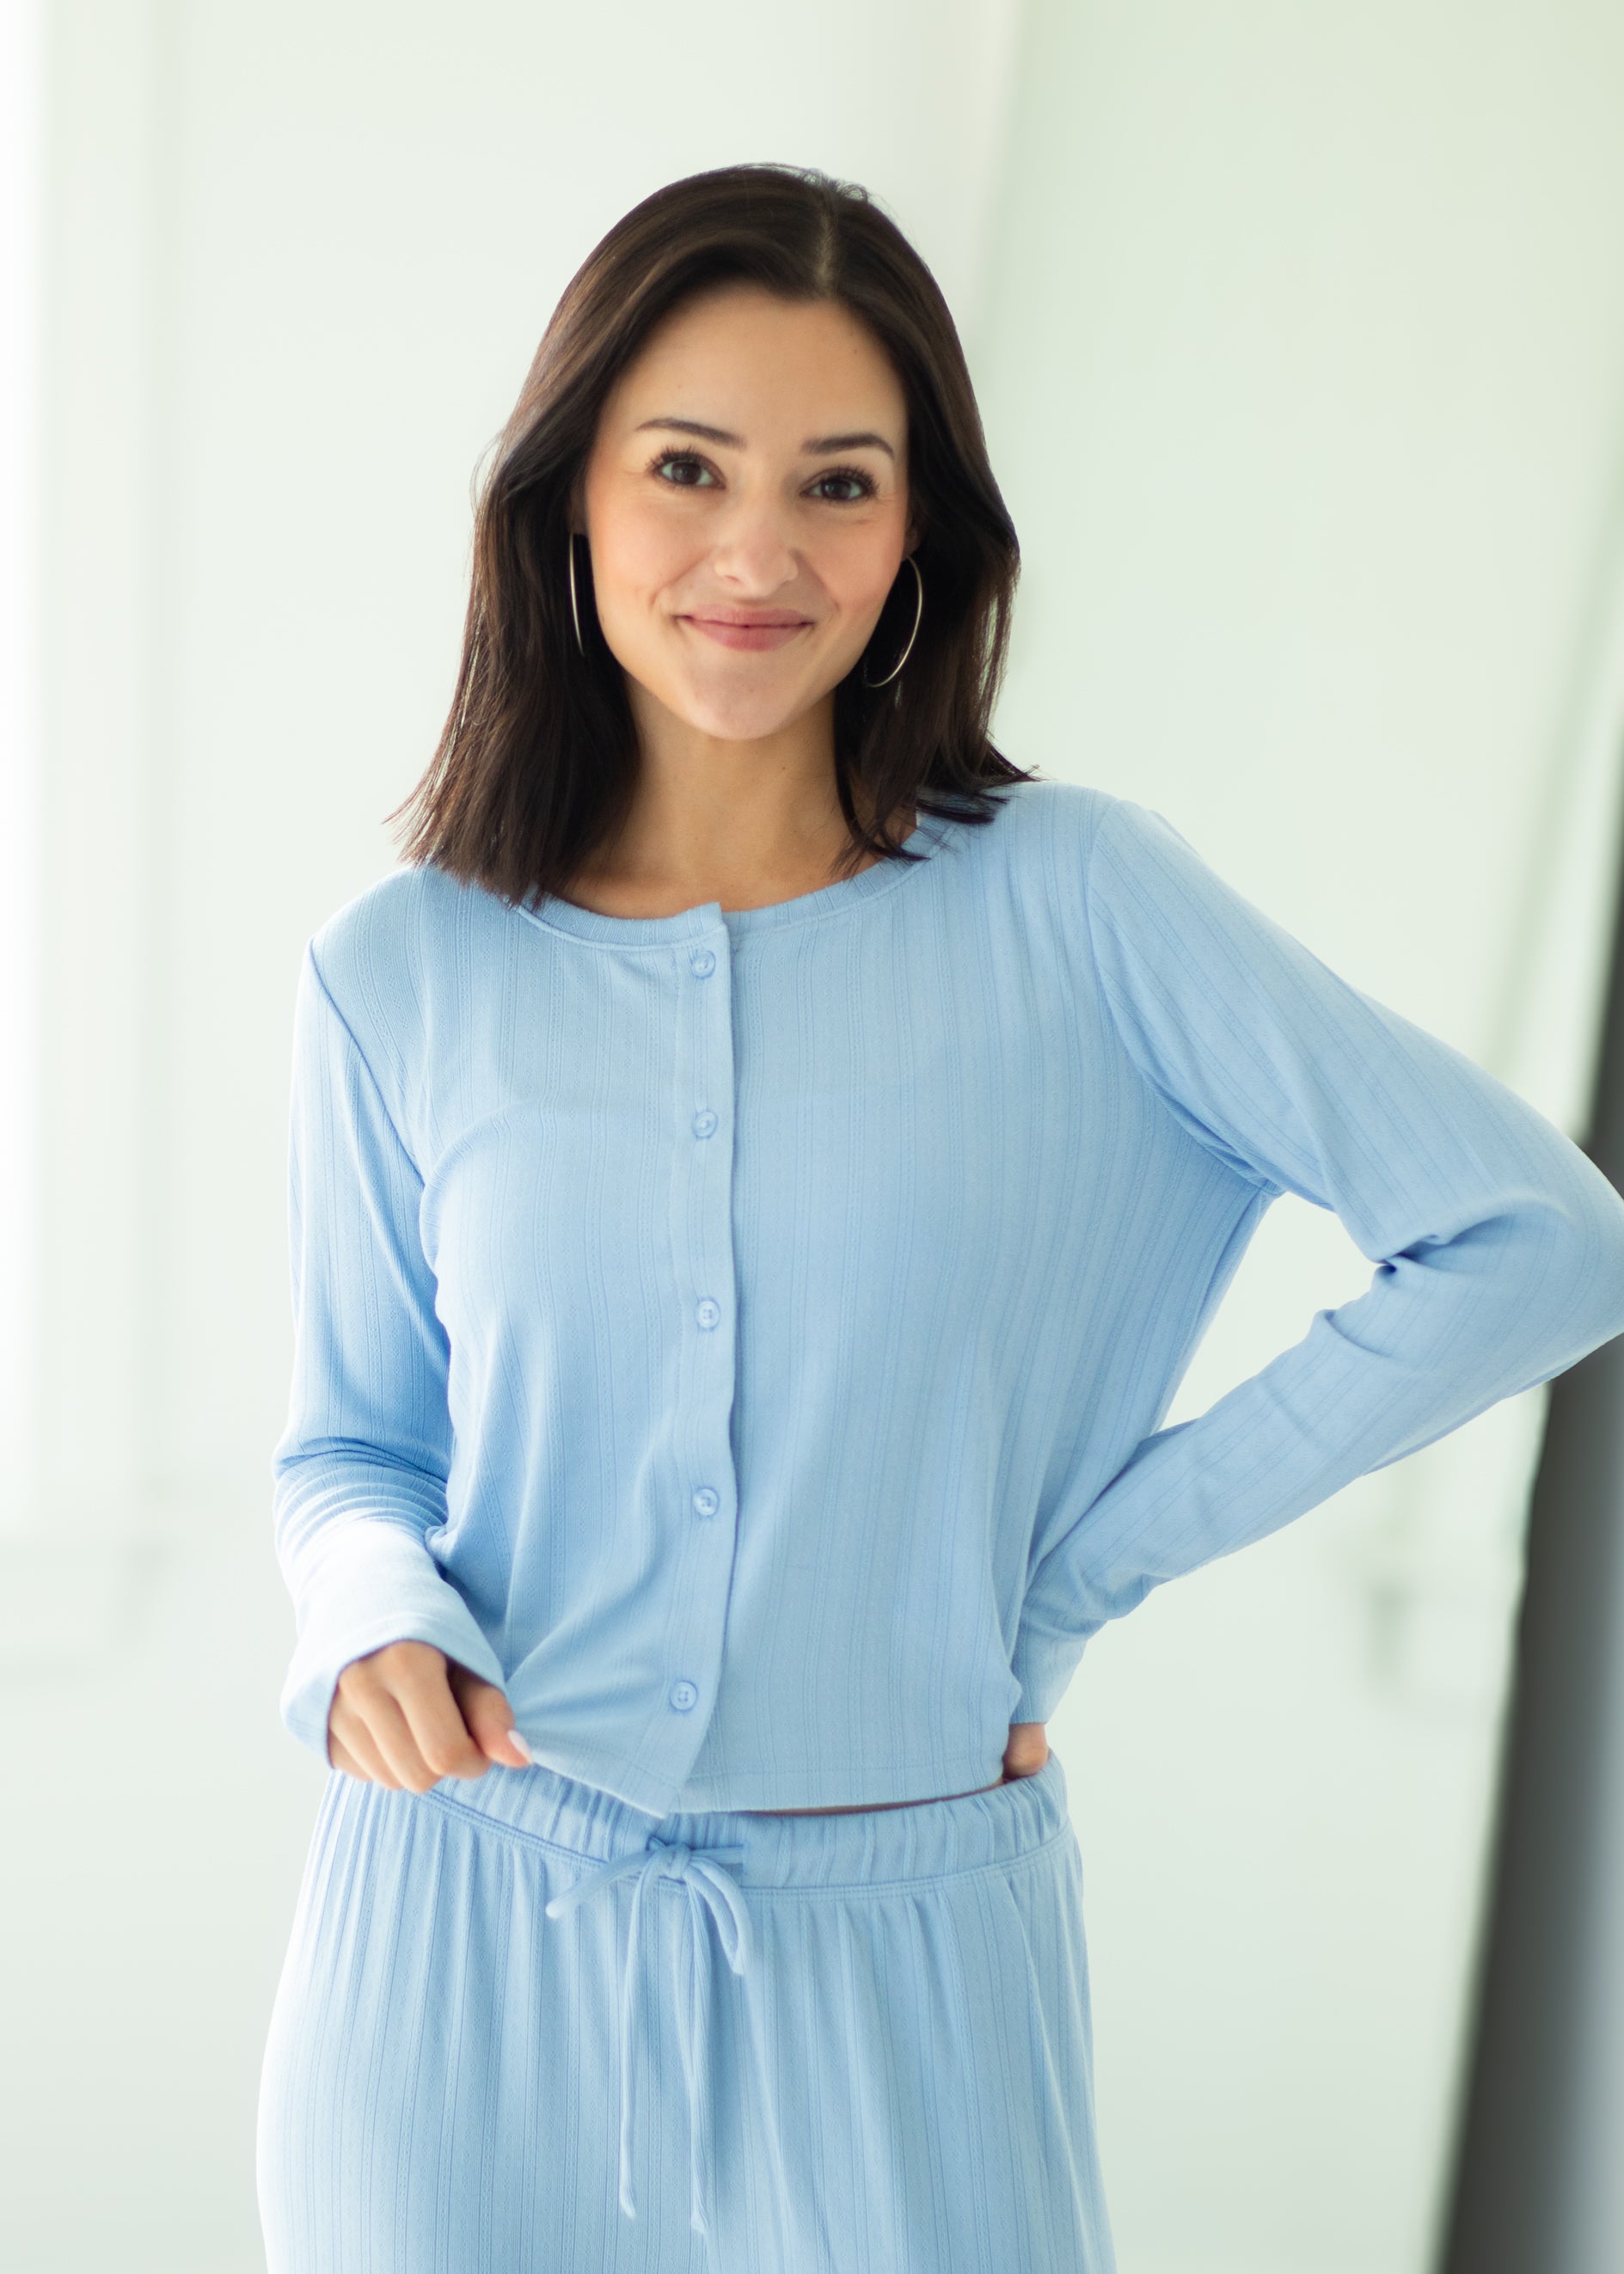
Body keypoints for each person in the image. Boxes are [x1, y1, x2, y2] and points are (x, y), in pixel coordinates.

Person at [254, 163, 1624, 2272]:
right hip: (456, 1944)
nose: (754, 552)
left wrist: (1084, 1567)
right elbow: (354, 1444)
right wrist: (364, 1608)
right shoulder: (403, 968)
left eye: (837, 484)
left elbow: (1537, 1239)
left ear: (918, 541)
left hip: (900, 1963)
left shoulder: (1078, 904)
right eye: (687, 468)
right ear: (568, 506)